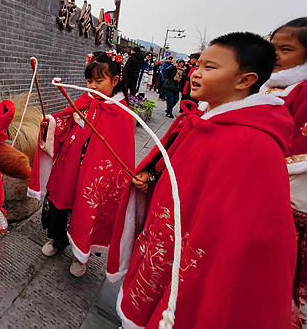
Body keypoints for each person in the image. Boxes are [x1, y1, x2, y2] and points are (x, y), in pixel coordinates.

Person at [107, 32, 296, 328]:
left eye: (210, 68)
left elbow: (246, 237)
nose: (195, 73)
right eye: (199, 65)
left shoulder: (255, 146)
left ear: (245, 80)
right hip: (165, 242)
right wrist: (150, 175)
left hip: (192, 256)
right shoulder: (205, 121)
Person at [28, 51, 135, 277]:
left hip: (94, 176)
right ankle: (57, 241)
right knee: (61, 202)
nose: (92, 86)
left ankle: (81, 255)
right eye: (89, 81)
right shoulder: (84, 101)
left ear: (115, 81)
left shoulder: (121, 113)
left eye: (99, 81)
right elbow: (67, 123)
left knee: (86, 210)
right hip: (69, 168)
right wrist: (52, 123)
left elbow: (120, 152)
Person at [261, 17, 307, 324]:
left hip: (283, 195)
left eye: (286, 49)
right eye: (272, 47)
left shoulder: (301, 91)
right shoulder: (272, 86)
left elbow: (296, 153)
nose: (275, 55)